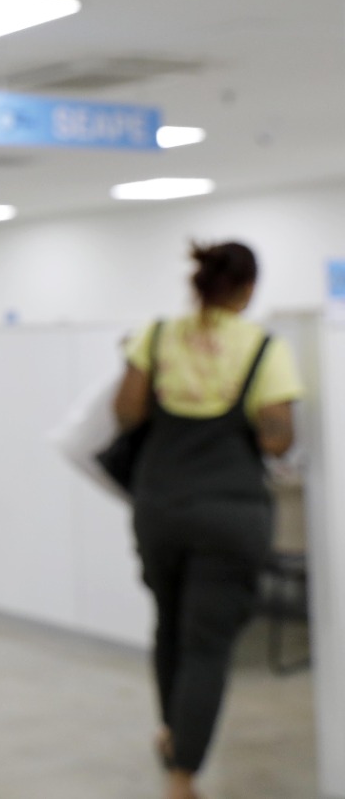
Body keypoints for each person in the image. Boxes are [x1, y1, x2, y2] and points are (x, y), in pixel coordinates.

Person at [112, 241, 302, 799]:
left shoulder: (157, 335)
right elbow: (277, 437)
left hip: (161, 506)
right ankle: (182, 775)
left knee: (169, 626)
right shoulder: (264, 347)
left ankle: (173, 734)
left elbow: (126, 412)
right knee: (207, 645)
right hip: (230, 511)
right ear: (247, 289)